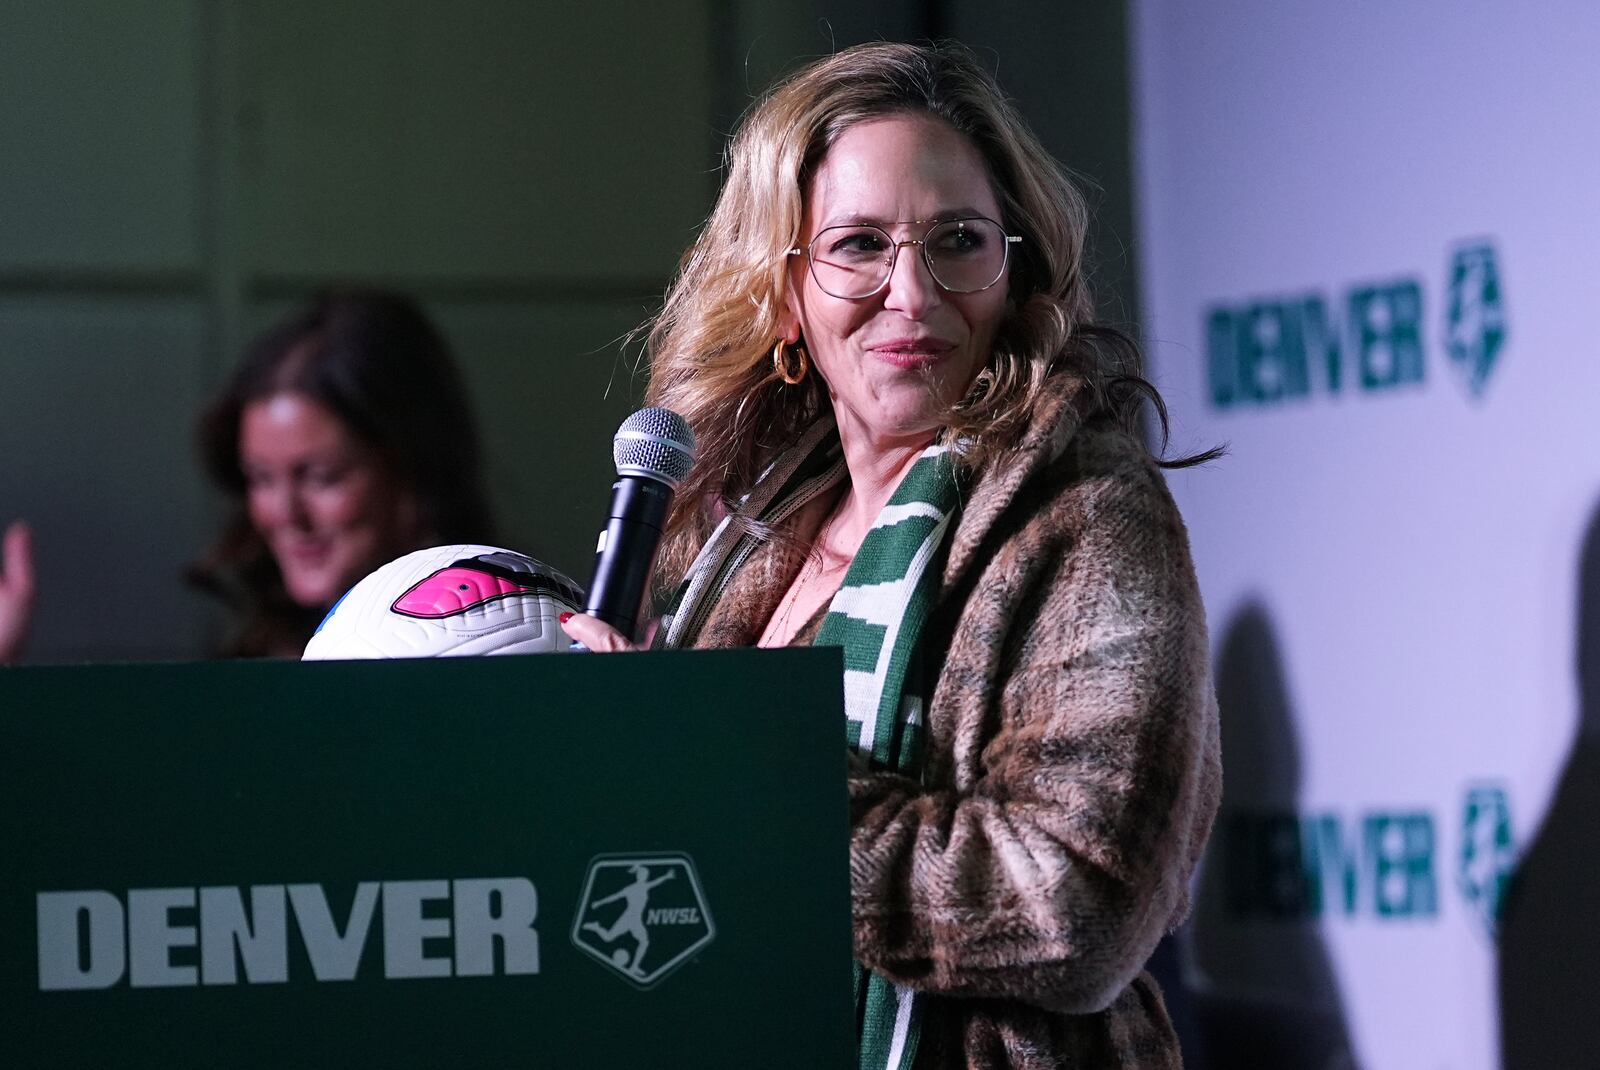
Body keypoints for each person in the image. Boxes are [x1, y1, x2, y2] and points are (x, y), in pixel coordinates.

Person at [562, 42, 1221, 1068]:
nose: (911, 295)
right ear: (783, 293)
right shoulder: (758, 526)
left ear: (1015, 270)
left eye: (957, 240)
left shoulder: (1087, 512)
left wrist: (722, 769)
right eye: (859, 244)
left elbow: (1077, 911)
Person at [188, 291, 495, 657]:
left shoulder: (509, 642)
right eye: (261, 477)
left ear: (412, 467)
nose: (286, 513)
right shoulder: (253, 655)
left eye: (322, 477)